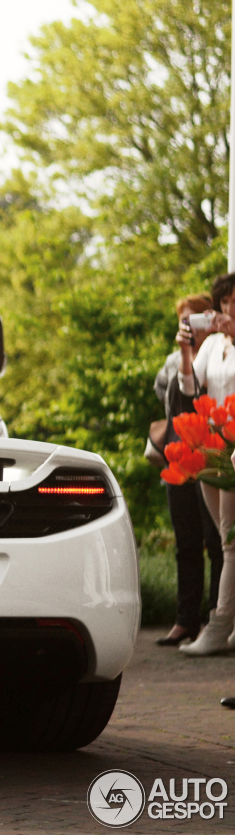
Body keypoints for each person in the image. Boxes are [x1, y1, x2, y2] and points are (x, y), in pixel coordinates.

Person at [155, 294, 224, 645]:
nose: (191, 327)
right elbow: (168, 398)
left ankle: (217, 617)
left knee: (217, 540)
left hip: (212, 455)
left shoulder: (221, 354)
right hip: (180, 454)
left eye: (197, 319)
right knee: (185, 542)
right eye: (185, 321)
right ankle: (185, 620)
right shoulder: (171, 363)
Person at [178, 272, 235, 655]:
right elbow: (188, 388)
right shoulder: (213, 345)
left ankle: (219, 624)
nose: (230, 309)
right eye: (226, 302)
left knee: (231, 542)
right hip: (212, 447)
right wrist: (186, 351)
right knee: (222, 540)